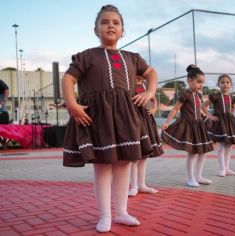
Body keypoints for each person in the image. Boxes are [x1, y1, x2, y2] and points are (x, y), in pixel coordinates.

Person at [61, 5, 158, 233]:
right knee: (103, 166)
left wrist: (150, 92)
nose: (110, 25)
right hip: (99, 119)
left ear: (123, 30)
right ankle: (105, 215)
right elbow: (68, 79)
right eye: (105, 22)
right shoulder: (86, 56)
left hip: (126, 117)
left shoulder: (132, 58)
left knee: (124, 164)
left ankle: (122, 212)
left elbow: (152, 73)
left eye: (115, 22)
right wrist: (73, 104)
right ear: (96, 29)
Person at [161, 64, 214, 187]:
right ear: (190, 81)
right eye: (199, 82)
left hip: (199, 126)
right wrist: (167, 122)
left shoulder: (199, 95)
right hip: (189, 127)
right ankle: (191, 178)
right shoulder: (185, 94)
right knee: (192, 153)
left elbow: (197, 109)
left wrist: (204, 115)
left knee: (203, 151)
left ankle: (199, 176)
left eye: (202, 82)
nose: (201, 85)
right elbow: (175, 109)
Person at [128, 76, 163, 197]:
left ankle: (141, 184)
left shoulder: (146, 86)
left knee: (144, 157)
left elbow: (153, 99)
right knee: (134, 156)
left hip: (146, 120)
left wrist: (153, 109)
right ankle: (133, 186)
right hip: (134, 121)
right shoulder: (129, 84)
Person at [202, 74, 235, 177]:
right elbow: (203, 106)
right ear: (218, 84)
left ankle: (227, 168)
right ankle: (222, 169)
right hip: (219, 123)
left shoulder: (233, 97)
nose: (225, 84)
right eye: (222, 82)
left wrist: (232, 113)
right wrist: (210, 116)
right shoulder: (215, 96)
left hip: (229, 123)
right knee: (220, 147)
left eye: (227, 82)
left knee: (229, 147)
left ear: (231, 84)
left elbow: (234, 107)